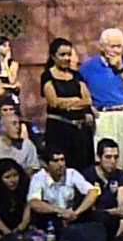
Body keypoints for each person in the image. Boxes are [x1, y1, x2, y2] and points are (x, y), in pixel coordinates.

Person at [82, 28, 123, 202]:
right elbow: (81, 90)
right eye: (113, 46)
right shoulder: (89, 67)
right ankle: (107, 203)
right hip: (104, 116)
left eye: (120, 46)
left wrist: (120, 69)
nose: (117, 51)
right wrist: (89, 108)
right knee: (107, 159)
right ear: (102, 47)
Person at [37, 38, 92, 171]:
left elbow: (88, 100)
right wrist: (76, 100)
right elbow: (54, 102)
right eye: (62, 55)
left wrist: (67, 102)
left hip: (80, 131)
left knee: (84, 168)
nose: (67, 58)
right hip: (59, 130)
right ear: (53, 56)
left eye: (69, 54)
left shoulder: (77, 75)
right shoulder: (47, 76)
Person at [81, 138, 123, 241]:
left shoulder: (119, 174)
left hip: (116, 215)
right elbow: (89, 207)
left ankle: (121, 235)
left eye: (115, 157)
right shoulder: (87, 175)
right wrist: (113, 212)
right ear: (98, 157)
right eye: (108, 157)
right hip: (95, 215)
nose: (112, 161)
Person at [0, 36, 21, 101]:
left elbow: (12, 81)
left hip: (11, 95)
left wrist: (6, 62)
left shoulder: (14, 64)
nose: (7, 48)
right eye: (4, 46)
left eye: (9, 46)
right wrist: (12, 87)